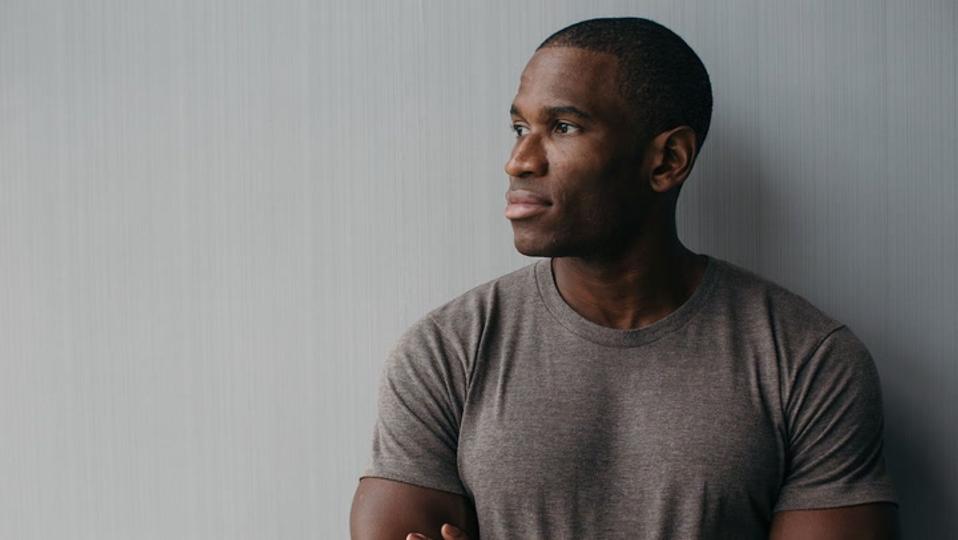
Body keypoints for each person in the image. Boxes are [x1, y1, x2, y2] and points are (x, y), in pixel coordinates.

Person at [349, 17, 900, 540]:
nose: (518, 161)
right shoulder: (447, 351)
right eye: (519, 127)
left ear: (667, 161)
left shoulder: (808, 359)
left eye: (563, 127)